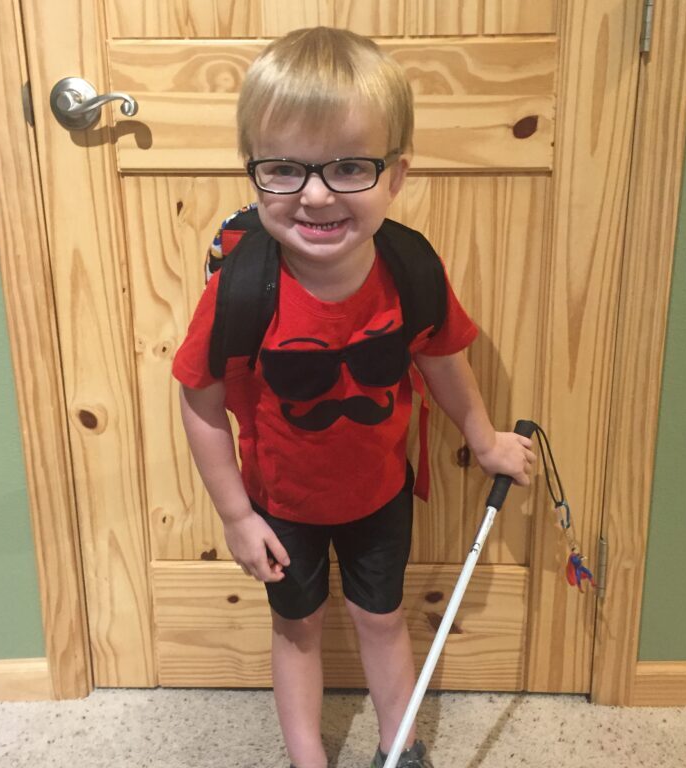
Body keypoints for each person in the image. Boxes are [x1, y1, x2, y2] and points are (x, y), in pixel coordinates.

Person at [173, 26, 535, 768]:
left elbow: (442, 356)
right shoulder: (241, 291)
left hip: (380, 494)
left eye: (348, 167)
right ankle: (309, 759)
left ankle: (399, 749)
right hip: (280, 505)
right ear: (254, 173)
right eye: (283, 169)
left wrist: (486, 436)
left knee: (383, 618)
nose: (314, 195)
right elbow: (200, 402)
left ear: (396, 175)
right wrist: (236, 517)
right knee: (297, 629)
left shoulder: (410, 270)